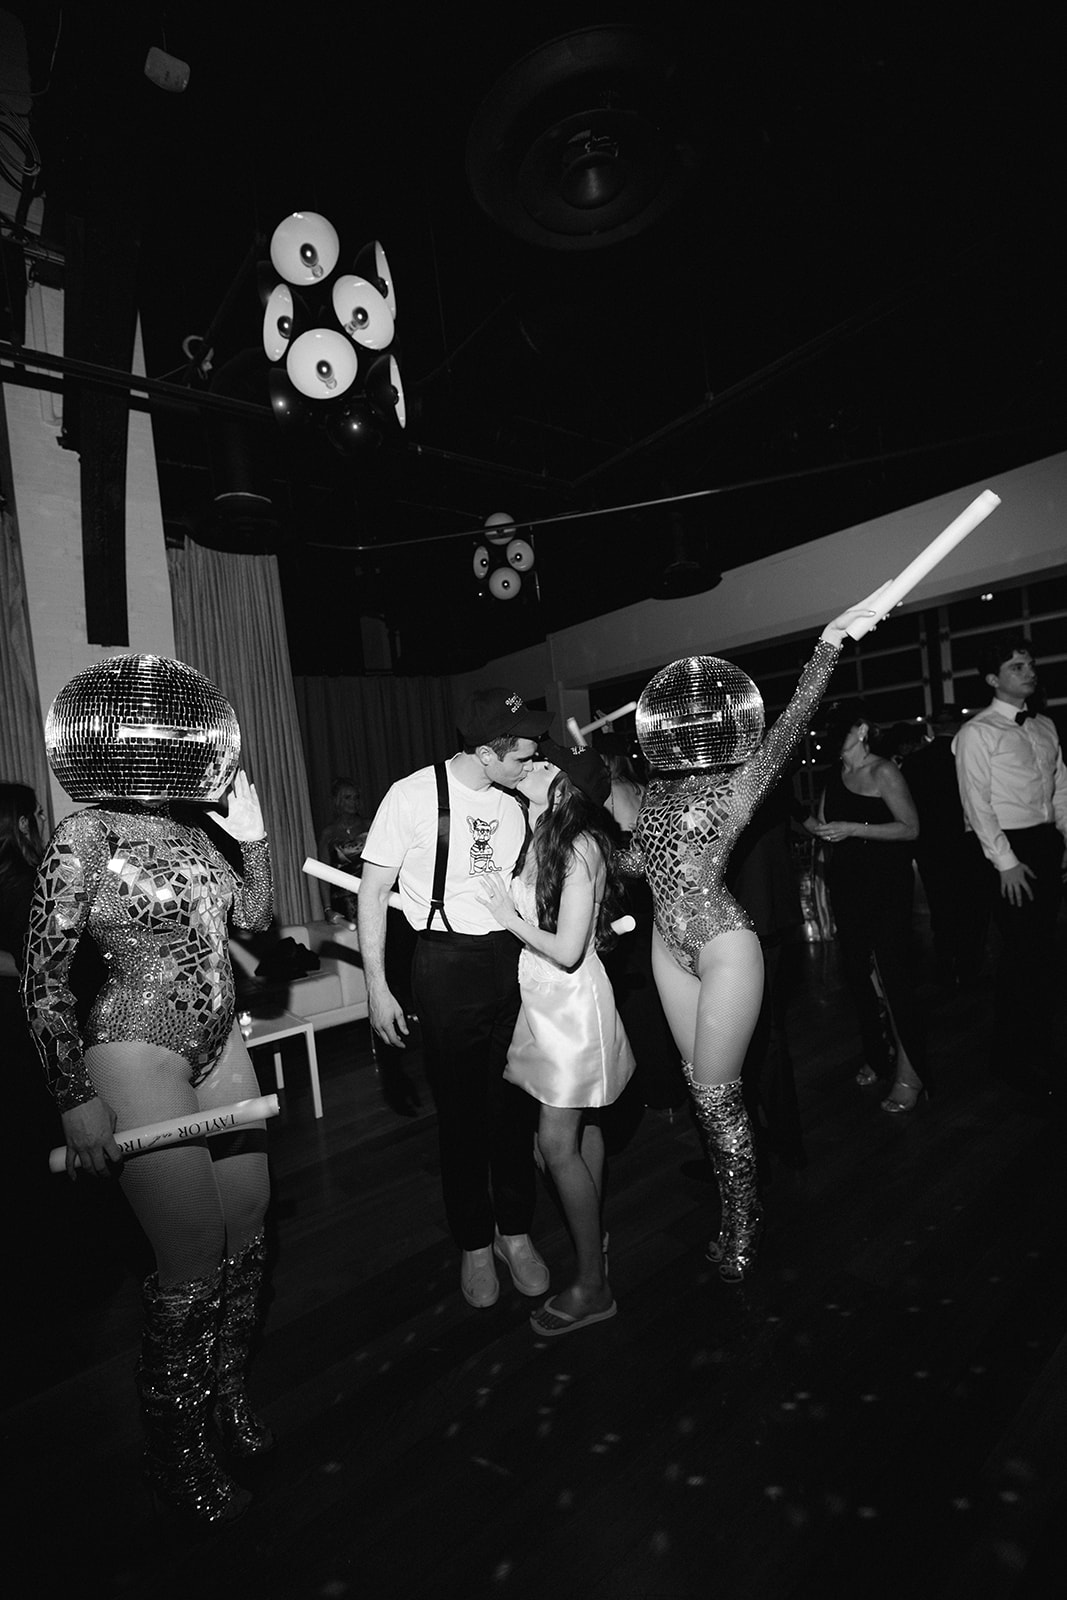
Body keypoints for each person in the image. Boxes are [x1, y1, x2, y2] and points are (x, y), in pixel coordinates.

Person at [21, 655, 275, 1525]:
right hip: (136, 1047)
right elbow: (43, 983)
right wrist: (73, 1096)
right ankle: (176, 1452)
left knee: (249, 1231)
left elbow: (254, 918)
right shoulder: (82, 836)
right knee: (192, 1254)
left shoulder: (195, 830)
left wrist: (252, 835)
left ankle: (226, 1398)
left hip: (219, 1042)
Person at [627, 600, 870, 1281]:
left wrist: (827, 646)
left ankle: (743, 1220)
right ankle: (734, 1199)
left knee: (716, 1095)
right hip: (665, 947)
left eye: (702, 717)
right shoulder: (653, 794)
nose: (692, 726)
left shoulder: (738, 787)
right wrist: (580, 842)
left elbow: (791, 725)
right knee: (701, 1093)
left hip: (723, 944)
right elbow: (638, 864)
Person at [358, 687, 550, 1309]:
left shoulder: (518, 801)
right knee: (462, 1115)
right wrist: (377, 986)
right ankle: (473, 1240)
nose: (531, 764)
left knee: (515, 1106)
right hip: (445, 963)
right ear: (486, 752)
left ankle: (514, 1231)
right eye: (522, 756)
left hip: (513, 959)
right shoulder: (411, 795)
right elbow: (372, 892)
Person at [479, 741, 635, 1336]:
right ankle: (595, 1239)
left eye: (545, 765)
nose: (533, 765)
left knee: (554, 1144)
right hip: (543, 999)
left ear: (565, 788)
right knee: (577, 1130)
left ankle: (594, 1287)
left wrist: (507, 917)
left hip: (571, 1007)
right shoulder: (544, 832)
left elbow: (569, 950)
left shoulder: (579, 846)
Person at [953, 636, 1067, 1091]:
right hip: (1003, 847)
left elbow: (1060, 789)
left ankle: (1037, 1047)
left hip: (1044, 840)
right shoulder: (977, 732)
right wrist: (1006, 863)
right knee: (1021, 954)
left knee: (1043, 952)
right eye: (1016, 666)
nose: (1029, 671)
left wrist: (1065, 840)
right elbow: (975, 804)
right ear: (991, 679)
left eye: (1030, 664)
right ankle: (1012, 1058)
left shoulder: (1045, 726)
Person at [806, 701, 927, 1113]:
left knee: (894, 977)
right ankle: (878, 1054)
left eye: (839, 729)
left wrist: (854, 829)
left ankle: (911, 1072)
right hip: (847, 884)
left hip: (886, 885)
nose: (830, 737)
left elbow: (911, 828)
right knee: (859, 976)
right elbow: (826, 826)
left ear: (861, 730)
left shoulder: (883, 771)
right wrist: (796, 817)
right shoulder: (834, 774)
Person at [901, 707, 989, 989]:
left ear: (933, 727)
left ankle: (945, 964)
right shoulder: (969, 756)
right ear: (959, 724)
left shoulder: (914, 762)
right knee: (972, 906)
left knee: (941, 906)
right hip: (969, 844)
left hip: (931, 847)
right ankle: (969, 967)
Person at [317, 776, 368, 923]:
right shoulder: (329, 833)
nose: (353, 802)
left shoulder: (369, 826)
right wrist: (327, 909)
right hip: (342, 899)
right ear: (337, 801)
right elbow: (324, 873)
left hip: (368, 895)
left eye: (356, 797)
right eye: (347, 798)